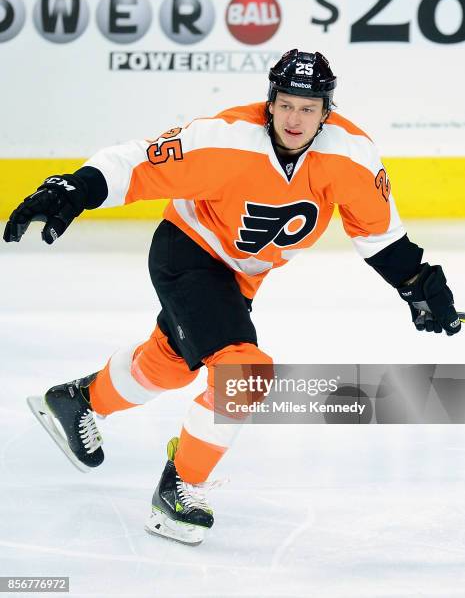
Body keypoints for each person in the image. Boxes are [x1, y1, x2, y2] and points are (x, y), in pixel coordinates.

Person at [3, 49, 461, 544]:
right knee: (246, 372)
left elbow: (380, 235)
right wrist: (71, 188)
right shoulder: (225, 138)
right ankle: (180, 486)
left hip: (239, 279)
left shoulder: (350, 155)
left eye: (309, 108)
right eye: (286, 104)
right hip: (187, 254)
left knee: (173, 363)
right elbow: (136, 163)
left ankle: (78, 403)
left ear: (327, 111)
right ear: (270, 102)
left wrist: (417, 284)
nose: (295, 118)